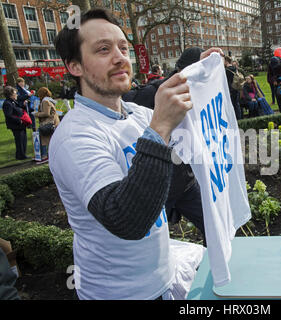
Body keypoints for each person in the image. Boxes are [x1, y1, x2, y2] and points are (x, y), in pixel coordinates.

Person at [52, 8, 222, 300]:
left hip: (164, 279)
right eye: (103, 49)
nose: (120, 57)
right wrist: (160, 129)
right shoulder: (74, 136)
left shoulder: (138, 115)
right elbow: (126, 220)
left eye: (122, 47)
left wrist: (201, 75)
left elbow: (195, 119)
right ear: (75, 66)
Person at [122, 46, 207, 246]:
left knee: (214, 225)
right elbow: (125, 102)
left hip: (184, 181)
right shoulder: (155, 93)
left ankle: (214, 267)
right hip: (159, 187)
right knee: (150, 241)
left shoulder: (198, 93)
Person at [2, 86, 29, 160]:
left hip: (21, 124)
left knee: (23, 139)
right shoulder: (7, 103)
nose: (16, 95)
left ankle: (22, 154)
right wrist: (18, 120)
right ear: (10, 95)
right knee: (19, 140)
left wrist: (23, 105)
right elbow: (8, 115)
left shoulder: (13, 101)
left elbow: (18, 109)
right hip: (16, 125)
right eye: (15, 93)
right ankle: (20, 155)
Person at [33, 87, 60, 160]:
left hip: (48, 123)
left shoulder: (45, 101)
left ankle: (44, 155)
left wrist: (36, 114)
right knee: (50, 139)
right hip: (53, 122)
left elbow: (46, 113)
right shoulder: (49, 100)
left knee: (41, 138)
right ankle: (48, 154)